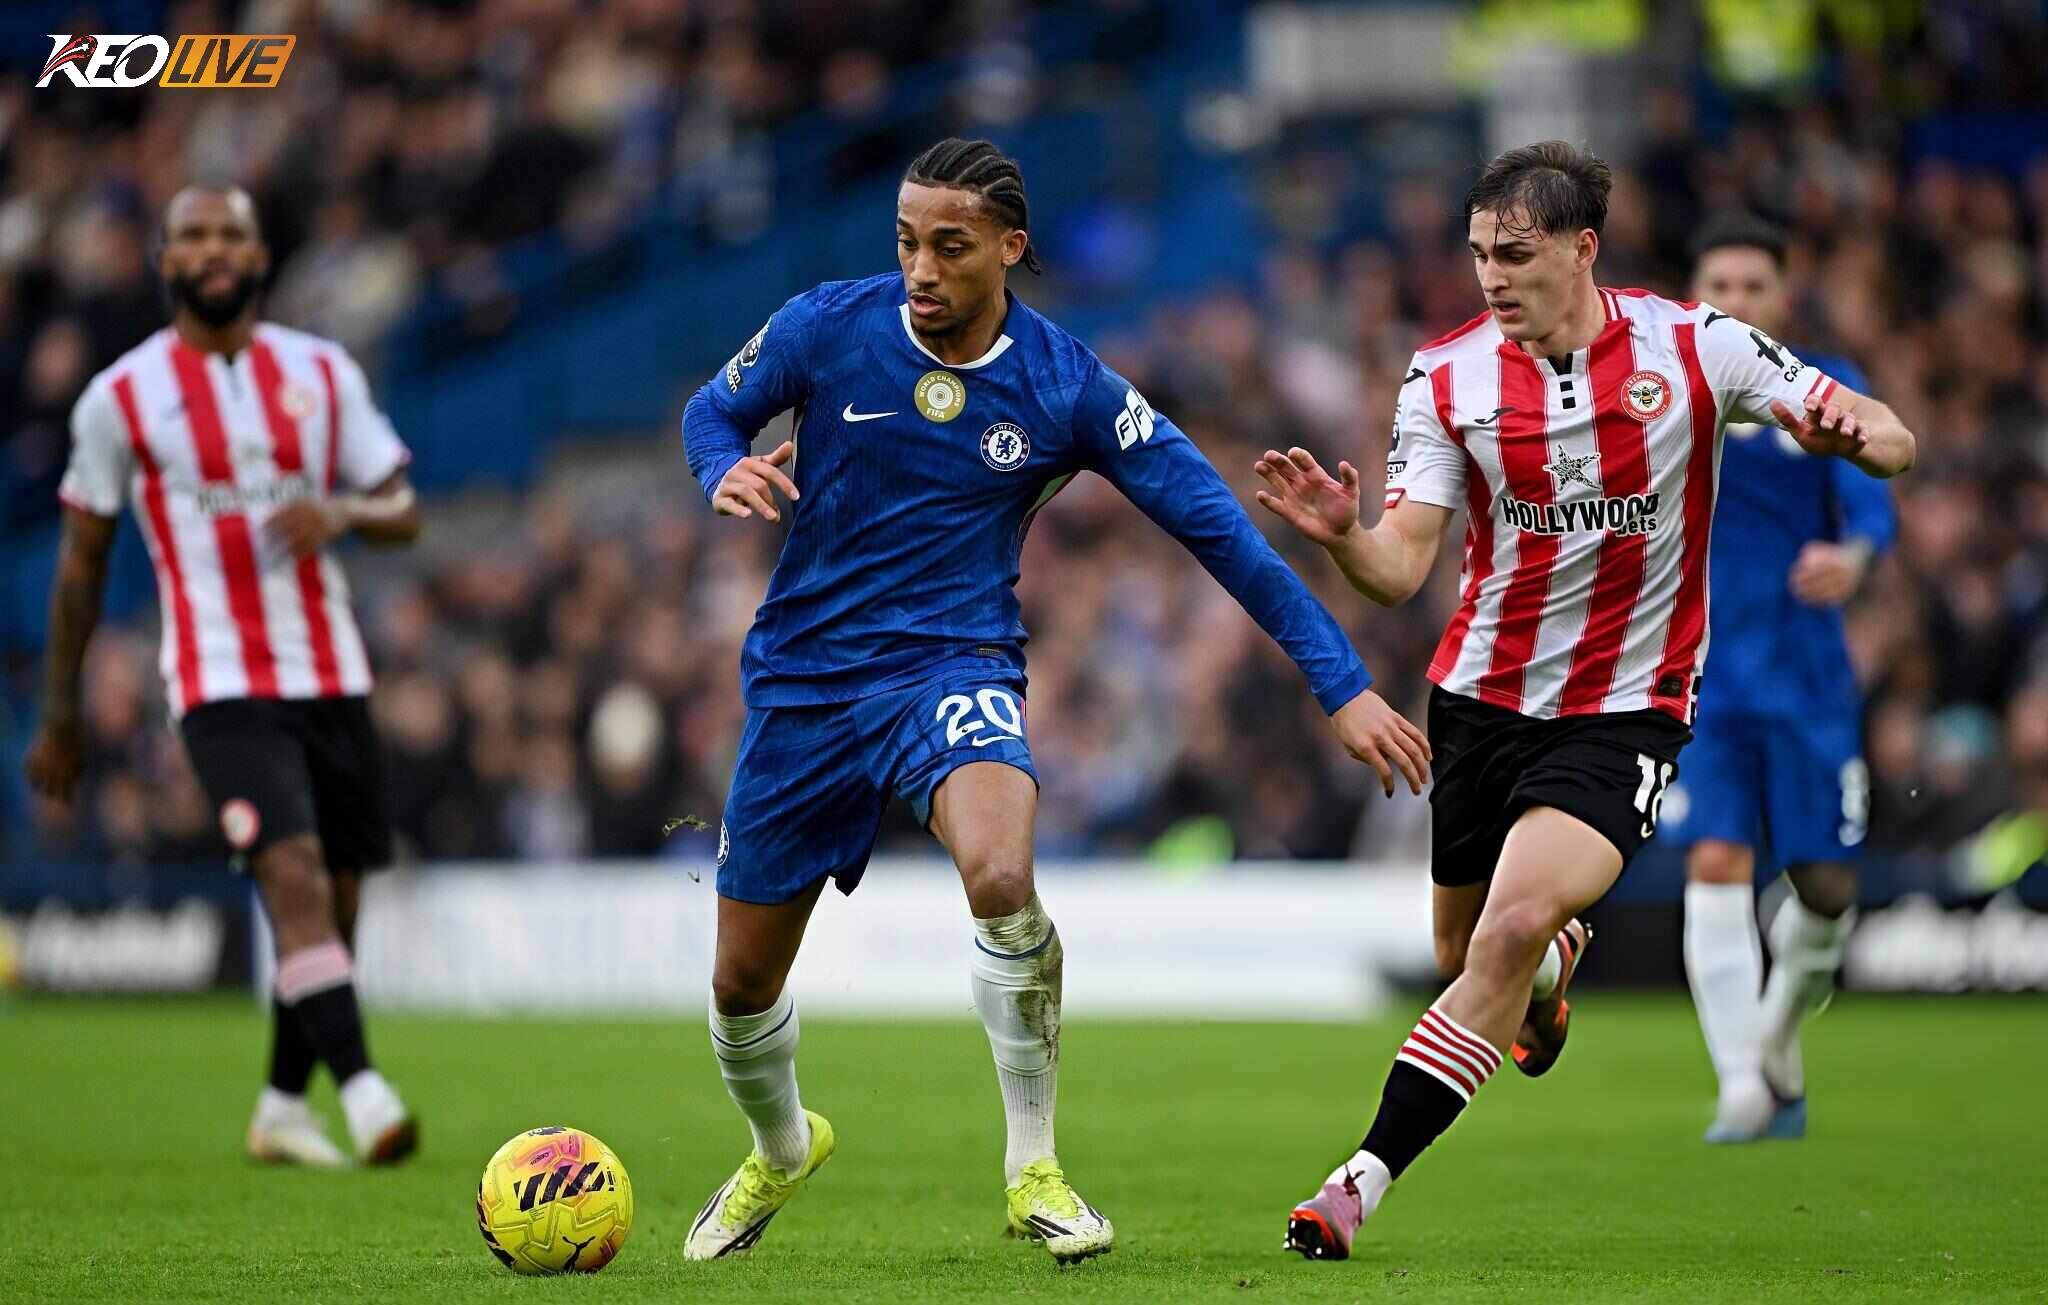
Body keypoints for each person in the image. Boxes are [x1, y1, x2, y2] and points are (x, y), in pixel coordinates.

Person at [678, 137, 1431, 1265]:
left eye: (947, 246)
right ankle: (781, 1145)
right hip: (803, 686)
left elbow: (1222, 535)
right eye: (905, 242)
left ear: (1007, 249)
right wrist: (719, 469)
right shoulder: (825, 326)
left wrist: (1341, 686)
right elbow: (709, 411)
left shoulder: (1064, 386)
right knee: (741, 986)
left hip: (953, 666)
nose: (919, 269)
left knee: (998, 870)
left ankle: (1032, 1165)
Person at [1254, 142, 1915, 1261]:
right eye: (1475, 257)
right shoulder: (1444, 376)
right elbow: (1401, 565)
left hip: (1627, 707)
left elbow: (1884, 433)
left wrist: (1863, 436)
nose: (1491, 279)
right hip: (1477, 700)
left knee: (1506, 930)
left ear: (1580, 247)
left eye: (1513, 255)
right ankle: (1552, 975)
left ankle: (1354, 1182)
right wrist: (1340, 542)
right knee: (1468, 954)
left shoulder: (1695, 346)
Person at [24, 185, 422, 1168]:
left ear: (257, 255)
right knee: (287, 872)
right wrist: (61, 714)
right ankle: (367, 1091)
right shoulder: (119, 398)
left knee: (334, 900)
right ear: (165, 258)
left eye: (230, 235)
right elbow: (80, 565)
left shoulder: (321, 372)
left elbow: (401, 505)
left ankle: (283, 1105)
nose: (212, 250)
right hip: (216, 681)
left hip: (332, 668)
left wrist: (342, 514)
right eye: (193, 235)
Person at [1672, 212, 1894, 1143]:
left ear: (1782, 299)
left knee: (1828, 889)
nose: (1735, 303)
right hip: (1704, 677)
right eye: (1718, 287)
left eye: (1752, 288)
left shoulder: (1822, 394)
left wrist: (1853, 558)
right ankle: (1739, 1086)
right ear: (1695, 296)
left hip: (1808, 681)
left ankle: (1778, 1036)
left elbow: (1871, 503)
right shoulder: (1664, 396)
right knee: (1714, 860)